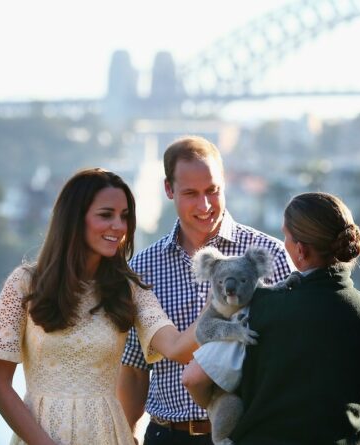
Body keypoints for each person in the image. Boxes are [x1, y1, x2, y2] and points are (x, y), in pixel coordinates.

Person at [0, 168, 219, 445]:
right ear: (75, 218)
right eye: (106, 214)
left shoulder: (129, 289)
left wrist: (218, 303)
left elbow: (177, 348)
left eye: (124, 216)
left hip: (109, 436)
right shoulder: (24, 284)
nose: (118, 226)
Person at [118, 136, 291, 445]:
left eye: (213, 190)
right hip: (168, 435)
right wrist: (124, 435)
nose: (205, 205)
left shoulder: (269, 255)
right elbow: (134, 368)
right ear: (169, 190)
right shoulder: (142, 268)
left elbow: (292, 353)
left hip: (247, 433)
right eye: (191, 193)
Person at [183, 192, 360, 444]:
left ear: (301, 250)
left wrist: (221, 410)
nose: (284, 243)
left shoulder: (258, 310)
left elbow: (193, 378)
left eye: (286, 237)